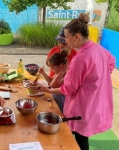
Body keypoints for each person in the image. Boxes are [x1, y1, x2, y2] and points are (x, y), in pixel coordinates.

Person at [34, 13, 115, 150]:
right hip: (95, 102)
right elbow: (111, 64)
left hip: (82, 106)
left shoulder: (80, 58)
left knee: (73, 139)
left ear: (76, 37)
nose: (65, 41)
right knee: (82, 137)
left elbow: (68, 89)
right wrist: (96, 81)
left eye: (67, 37)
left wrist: (48, 90)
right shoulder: (100, 50)